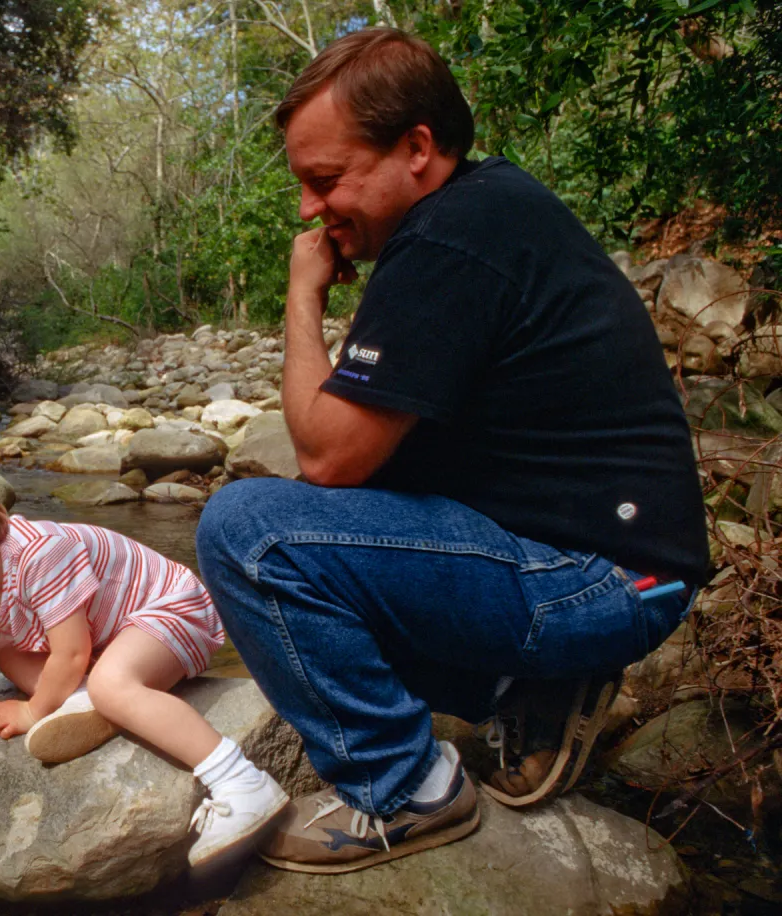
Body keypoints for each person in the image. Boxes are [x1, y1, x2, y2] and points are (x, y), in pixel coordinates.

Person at [195, 28, 708, 875]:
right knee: (326, 547)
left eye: (325, 180)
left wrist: (301, 295)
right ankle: (527, 691)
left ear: (418, 148)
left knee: (251, 533)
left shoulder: (450, 238)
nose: (308, 210)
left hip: (604, 578)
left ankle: (405, 790)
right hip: (613, 567)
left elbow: (326, 455)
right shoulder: (478, 212)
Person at [0, 470, 290, 868]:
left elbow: (71, 654)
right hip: (112, 636)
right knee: (9, 653)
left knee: (111, 686)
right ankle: (86, 698)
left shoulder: (40, 555)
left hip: (172, 612)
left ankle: (241, 781)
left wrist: (35, 711)